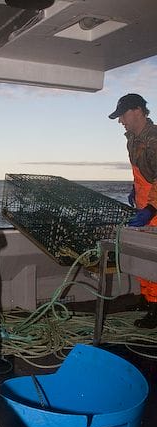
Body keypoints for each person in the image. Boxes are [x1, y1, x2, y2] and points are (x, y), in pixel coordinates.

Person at [109, 93, 157, 328]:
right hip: (143, 203)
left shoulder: (154, 138)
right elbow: (140, 171)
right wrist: (133, 190)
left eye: (122, 115)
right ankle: (147, 300)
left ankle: (156, 310)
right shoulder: (132, 139)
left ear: (137, 110)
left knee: (155, 260)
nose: (121, 121)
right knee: (141, 258)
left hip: (155, 207)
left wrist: (151, 208)